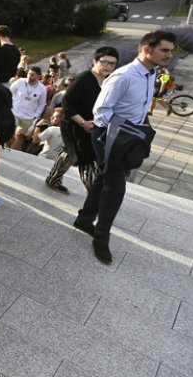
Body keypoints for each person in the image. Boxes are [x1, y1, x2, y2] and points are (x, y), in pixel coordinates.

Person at [74, 32, 174, 264]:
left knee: (104, 178)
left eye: (171, 50)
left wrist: (142, 128)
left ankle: (85, 219)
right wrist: (116, 137)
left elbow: (138, 107)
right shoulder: (124, 76)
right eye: (165, 50)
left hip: (131, 134)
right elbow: (101, 111)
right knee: (116, 186)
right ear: (147, 49)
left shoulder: (150, 73)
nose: (170, 55)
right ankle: (101, 236)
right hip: (110, 136)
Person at [9, 66, 47, 150]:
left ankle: (14, 152)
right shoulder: (20, 82)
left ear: (38, 76)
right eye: (29, 74)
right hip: (15, 111)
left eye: (33, 75)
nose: (30, 76)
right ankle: (5, 147)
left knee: (20, 135)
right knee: (10, 131)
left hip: (29, 116)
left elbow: (42, 104)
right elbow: (10, 92)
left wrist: (36, 116)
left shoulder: (42, 89)